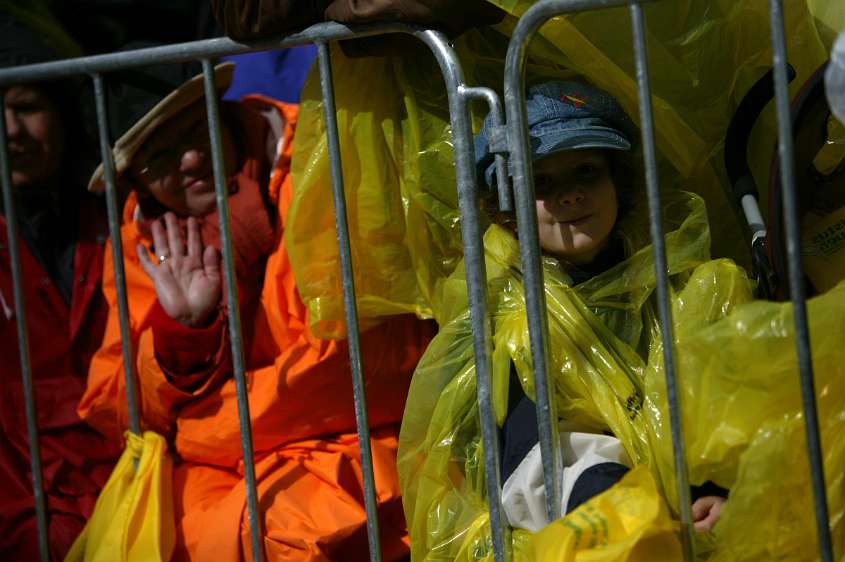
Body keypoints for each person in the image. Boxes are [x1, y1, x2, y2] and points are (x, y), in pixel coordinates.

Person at [78, 62, 434, 561]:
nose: (192, 158)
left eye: (197, 128)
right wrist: (182, 335)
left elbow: (371, 356)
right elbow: (114, 401)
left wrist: (203, 431)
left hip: (362, 439)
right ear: (133, 177)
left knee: (286, 530)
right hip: (237, 459)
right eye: (160, 156)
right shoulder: (145, 234)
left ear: (220, 111)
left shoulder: (322, 155)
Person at [397, 81, 751, 559]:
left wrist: (718, 492)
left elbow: (730, 417)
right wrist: (621, 511)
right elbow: (530, 468)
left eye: (586, 172)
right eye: (541, 183)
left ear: (618, 184)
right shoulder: (506, 321)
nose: (569, 196)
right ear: (508, 206)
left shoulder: (689, 291)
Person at [0, 12, 120, 560]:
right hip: (26, 501)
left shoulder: (115, 219)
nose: (10, 130)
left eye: (26, 107)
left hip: (127, 475)